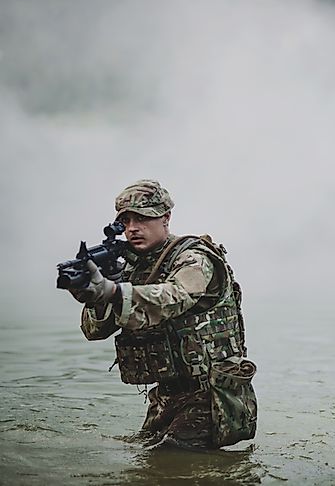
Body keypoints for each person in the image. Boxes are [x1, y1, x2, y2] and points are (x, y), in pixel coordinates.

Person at [67, 179, 257, 449]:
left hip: (211, 397)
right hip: (165, 398)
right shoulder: (133, 267)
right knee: (140, 459)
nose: (133, 228)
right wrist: (96, 298)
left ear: (166, 218)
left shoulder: (193, 258)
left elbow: (174, 296)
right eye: (126, 221)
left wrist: (113, 292)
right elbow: (94, 332)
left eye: (143, 218)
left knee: (170, 461)